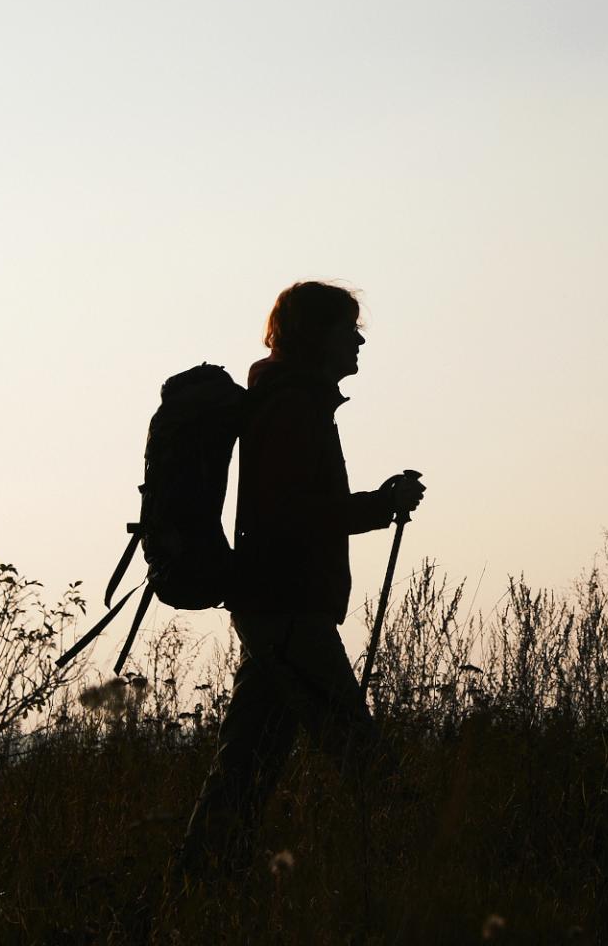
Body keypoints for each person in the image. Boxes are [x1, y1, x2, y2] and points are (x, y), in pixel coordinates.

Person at [178, 280, 425, 877]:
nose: (359, 340)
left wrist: (374, 505)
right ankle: (424, 872)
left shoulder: (292, 401)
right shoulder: (292, 407)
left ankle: (195, 888)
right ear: (319, 335)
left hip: (277, 609)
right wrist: (378, 506)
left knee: (245, 767)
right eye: (349, 328)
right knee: (359, 755)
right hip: (289, 610)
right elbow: (296, 513)